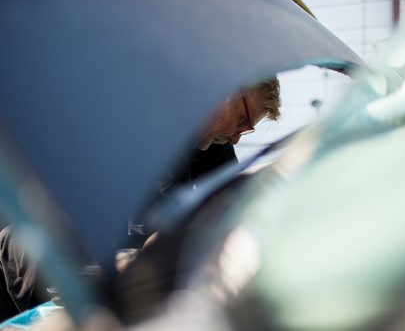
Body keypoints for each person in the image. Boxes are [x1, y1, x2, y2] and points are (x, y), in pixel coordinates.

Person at [0, 78, 281, 321]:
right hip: (34, 263)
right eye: (242, 121)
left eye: (247, 131)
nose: (235, 139)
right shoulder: (125, 119)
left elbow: (237, 205)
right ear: (221, 87)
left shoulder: (210, 143)